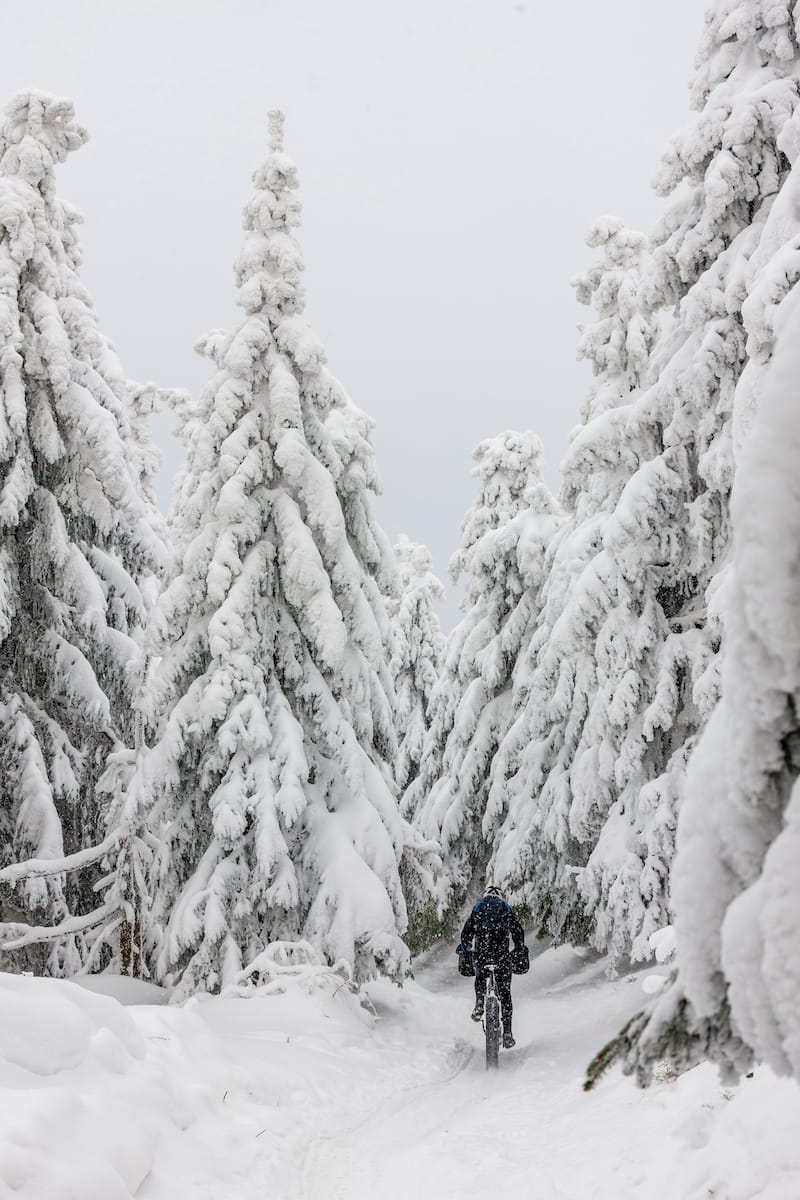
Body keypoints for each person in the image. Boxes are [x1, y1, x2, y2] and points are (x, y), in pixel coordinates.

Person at [458, 884, 526, 1049]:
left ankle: (480, 1004)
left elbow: (467, 931)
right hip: (501, 953)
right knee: (505, 993)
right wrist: (519, 948)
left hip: (482, 950)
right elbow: (517, 931)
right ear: (500, 896)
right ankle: (508, 1032)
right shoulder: (505, 907)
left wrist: (464, 948)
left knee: (481, 977)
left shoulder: (479, 906)